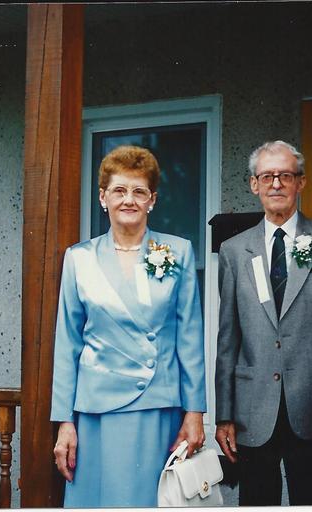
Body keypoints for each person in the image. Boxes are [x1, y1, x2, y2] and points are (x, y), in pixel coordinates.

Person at [50, 145, 206, 507]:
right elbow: (68, 344)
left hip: (156, 406)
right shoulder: (79, 258)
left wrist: (195, 411)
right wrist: (64, 421)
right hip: (96, 412)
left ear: (153, 200)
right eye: (119, 190)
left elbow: (190, 338)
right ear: (102, 197)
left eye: (139, 191)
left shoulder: (178, 252)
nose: (128, 200)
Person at [214, 140, 312, 506]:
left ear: (301, 182)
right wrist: (224, 415)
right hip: (253, 411)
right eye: (267, 176)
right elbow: (228, 340)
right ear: (254, 184)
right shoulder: (234, 251)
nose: (276, 184)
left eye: (285, 175)